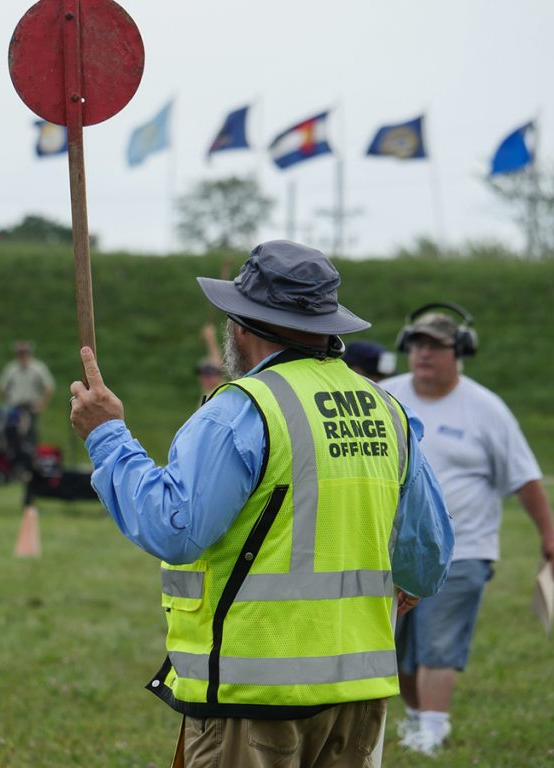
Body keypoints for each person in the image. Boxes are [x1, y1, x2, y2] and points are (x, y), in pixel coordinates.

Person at [68, 240, 453, 768]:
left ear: (241, 326)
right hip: (357, 695)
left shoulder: (241, 410)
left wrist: (108, 436)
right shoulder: (386, 408)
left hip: (253, 696)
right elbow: (427, 559)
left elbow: (173, 530)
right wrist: (403, 583)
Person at [382, 306, 554, 756]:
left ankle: (434, 732)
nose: (424, 354)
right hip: (392, 553)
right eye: (417, 344)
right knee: (394, 650)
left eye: (436, 346)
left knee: (439, 643)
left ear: (460, 351)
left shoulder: (486, 408)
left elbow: (525, 478)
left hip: (464, 549)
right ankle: (420, 721)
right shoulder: (384, 397)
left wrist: (548, 536)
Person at [0, 340, 55, 473]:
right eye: (20, 353)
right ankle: (16, 466)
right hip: (16, 408)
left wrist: (41, 404)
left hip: (30, 407)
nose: (22, 355)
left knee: (30, 436)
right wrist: (7, 402)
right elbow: (2, 387)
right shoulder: (11, 368)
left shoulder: (38, 368)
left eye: (24, 352)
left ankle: (31, 466)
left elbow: (49, 387)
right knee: (13, 436)